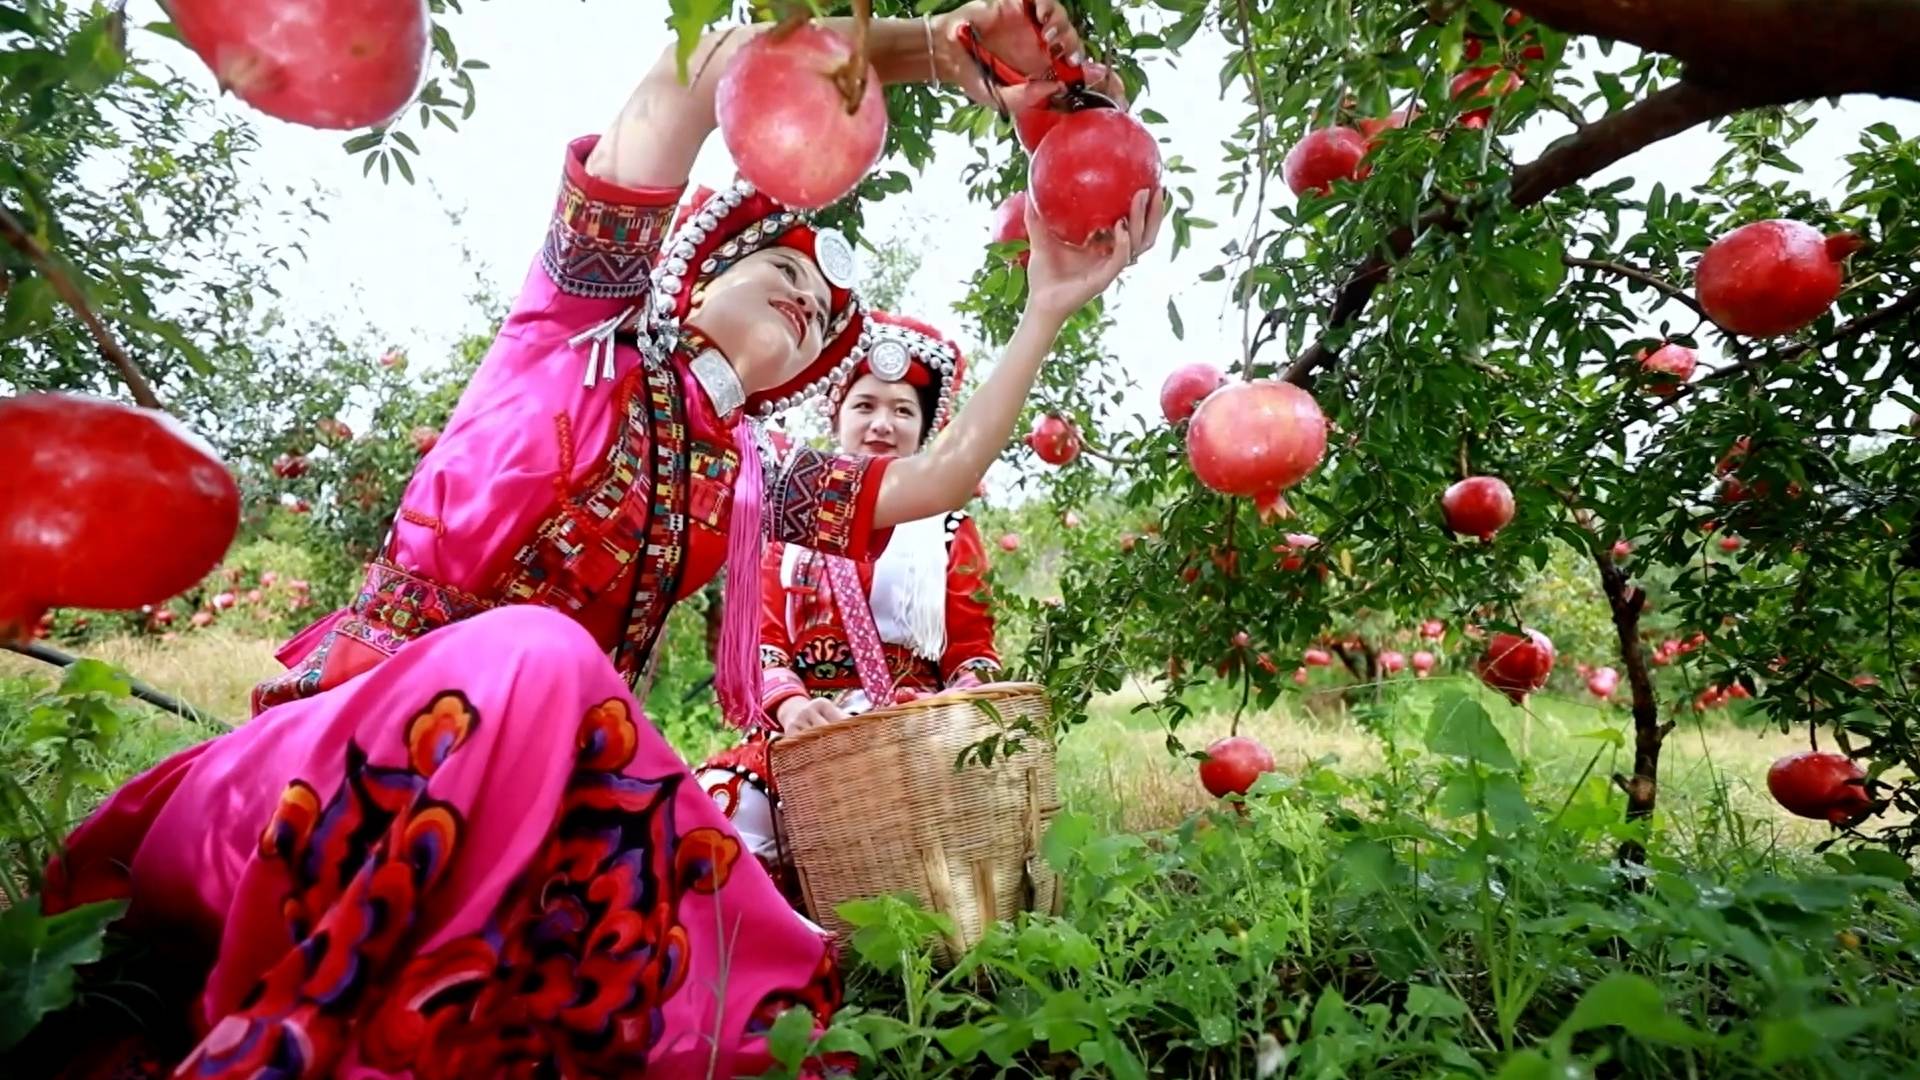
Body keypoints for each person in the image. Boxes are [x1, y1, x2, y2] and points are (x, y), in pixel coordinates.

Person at [39, 2, 1162, 1077]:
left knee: (765, 963)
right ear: (693, 277)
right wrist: (934, 47)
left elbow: (947, 472)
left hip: (538, 812)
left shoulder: (750, 480)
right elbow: (699, 74)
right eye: (783, 273)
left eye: (823, 314)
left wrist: (1048, 306)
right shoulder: (575, 325)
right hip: (327, 773)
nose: (809, 305)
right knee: (535, 653)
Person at [699, 313, 1003, 894]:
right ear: (836, 416)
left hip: (913, 730)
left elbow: (972, 651)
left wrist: (954, 715)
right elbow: (763, 644)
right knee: (723, 812)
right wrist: (791, 709)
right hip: (811, 737)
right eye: (865, 406)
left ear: (924, 427)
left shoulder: (948, 528)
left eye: (903, 410)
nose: (882, 424)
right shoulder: (785, 526)